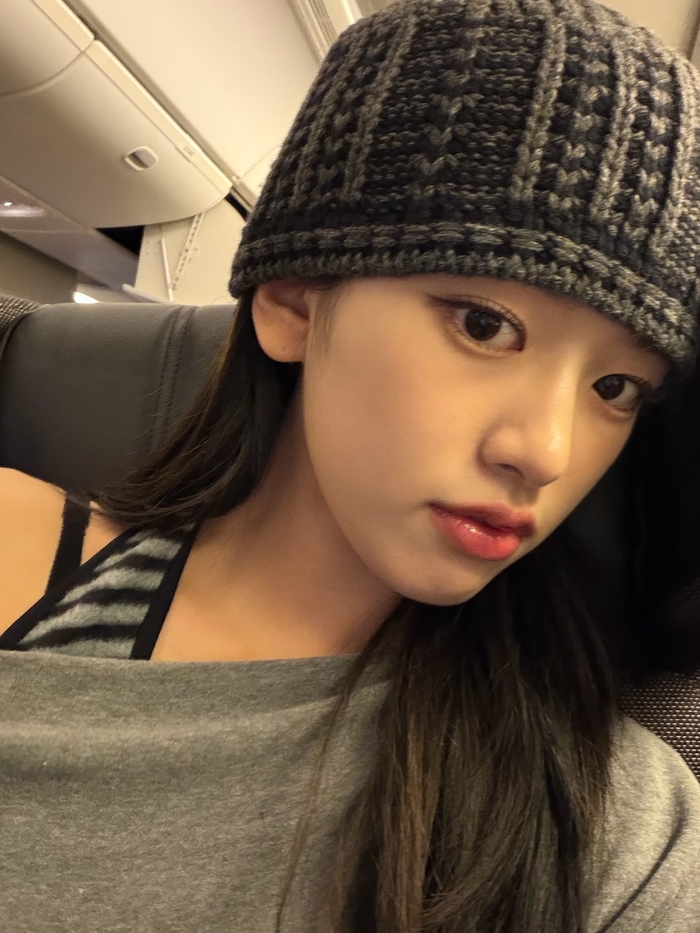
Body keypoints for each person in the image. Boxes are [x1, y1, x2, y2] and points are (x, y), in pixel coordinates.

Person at [1, 0, 699, 930]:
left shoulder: (614, 820)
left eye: (615, 387)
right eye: (485, 325)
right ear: (293, 300)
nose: (546, 452)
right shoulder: (14, 553)